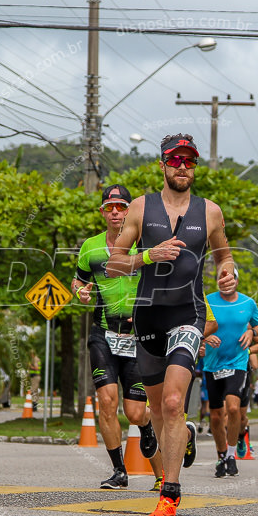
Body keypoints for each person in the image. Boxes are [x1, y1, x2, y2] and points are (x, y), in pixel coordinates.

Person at [106, 133, 236, 516]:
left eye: (189, 162)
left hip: (188, 313)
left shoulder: (210, 211)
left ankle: (170, 495)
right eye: (175, 161)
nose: (183, 167)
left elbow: (223, 253)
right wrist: (149, 255)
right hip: (147, 315)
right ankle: (182, 442)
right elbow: (114, 264)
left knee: (175, 402)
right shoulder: (141, 208)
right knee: (160, 410)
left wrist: (228, 271)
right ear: (162, 165)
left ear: (195, 167)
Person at [73, 184, 164, 491]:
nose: (115, 212)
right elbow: (79, 280)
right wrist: (80, 292)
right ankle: (119, 472)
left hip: (139, 336)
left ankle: (150, 428)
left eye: (121, 207)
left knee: (135, 412)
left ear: (130, 211)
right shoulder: (91, 247)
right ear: (102, 212)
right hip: (103, 334)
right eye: (109, 207)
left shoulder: (144, 246)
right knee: (106, 403)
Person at [202, 285, 258, 478]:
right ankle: (221, 456)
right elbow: (194, 324)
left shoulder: (248, 302)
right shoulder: (208, 300)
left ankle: (231, 455)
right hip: (213, 365)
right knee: (216, 417)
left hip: (237, 363)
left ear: (236, 281)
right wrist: (204, 337)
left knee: (234, 408)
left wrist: (252, 333)